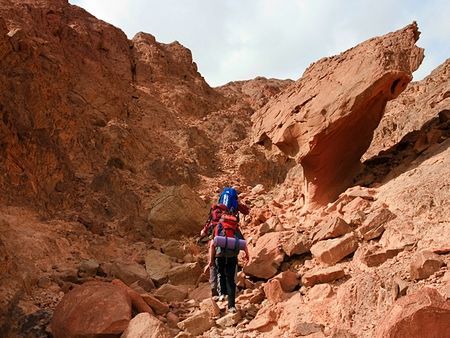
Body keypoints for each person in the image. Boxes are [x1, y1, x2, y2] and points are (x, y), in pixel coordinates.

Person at [204, 211, 249, 313]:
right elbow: (243, 243)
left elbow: (212, 245)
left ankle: (222, 294)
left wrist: (210, 261)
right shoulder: (235, 228)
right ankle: (231, 306)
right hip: (232, 255)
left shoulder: (218, 227)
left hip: (219, 255)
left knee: (220, 274)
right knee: (231, 279)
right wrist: (247, 255)